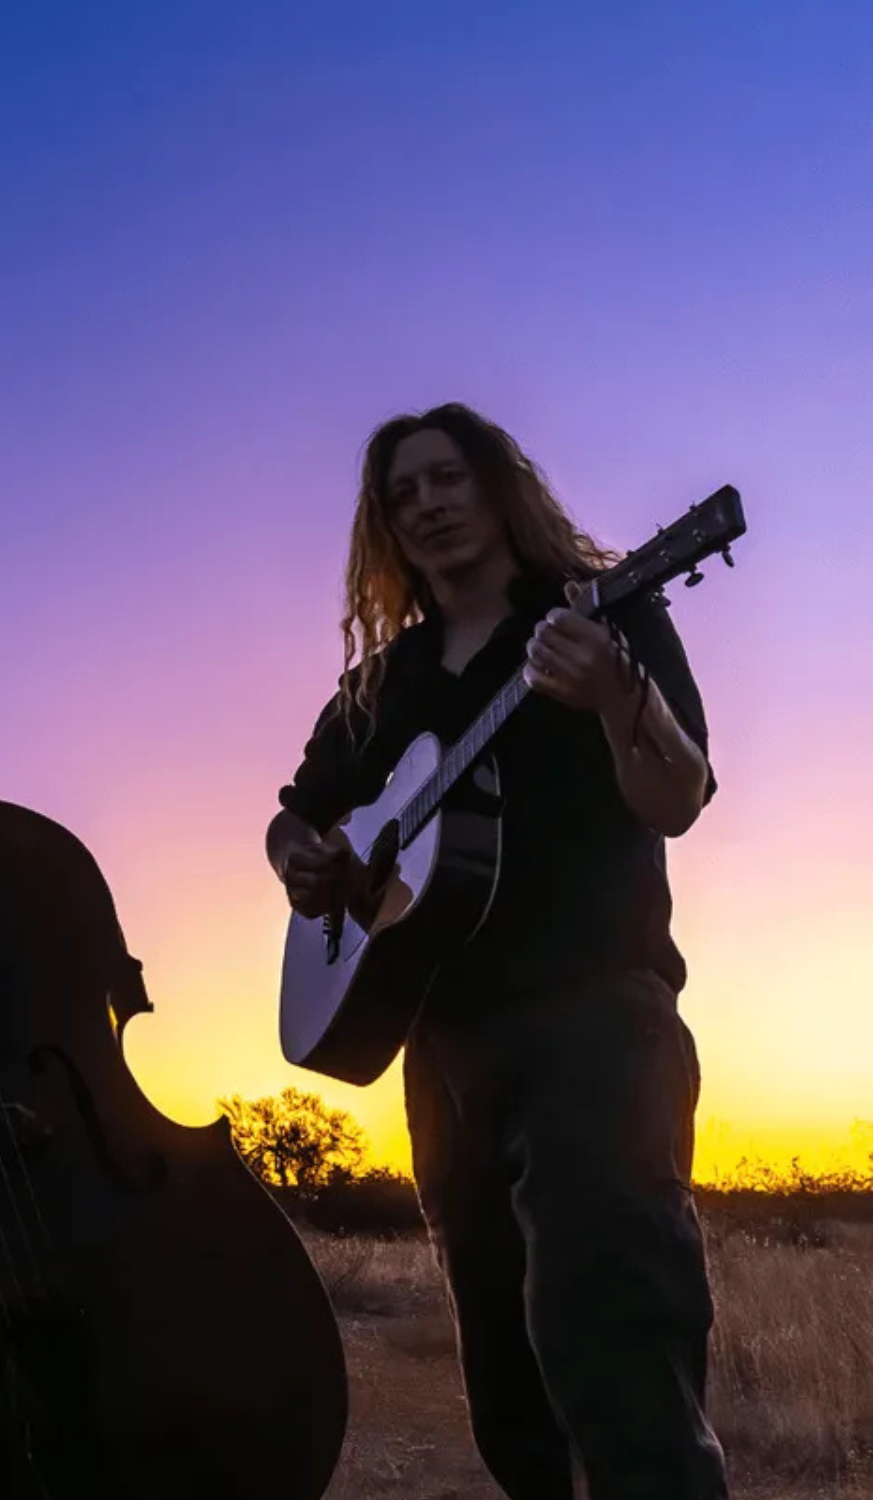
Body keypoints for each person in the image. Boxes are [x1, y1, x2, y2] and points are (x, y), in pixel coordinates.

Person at [264, 403, 730, 1500]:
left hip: (596, 1024)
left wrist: (616, 693)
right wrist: (303, 860)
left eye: (446, 478)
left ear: (495, 485)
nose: (425, 504)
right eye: (400, 494)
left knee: (612, 1338)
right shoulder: (386, 683)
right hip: (444, 1049)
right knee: (504, 1381)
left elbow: (678, 798)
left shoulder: (599, 615)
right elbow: (294, 814)